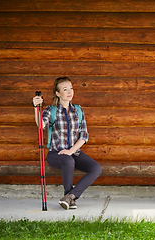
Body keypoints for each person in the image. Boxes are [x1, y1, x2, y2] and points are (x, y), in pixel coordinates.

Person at [32, 77, 102, 210]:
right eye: (65, 89)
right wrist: (37, 108)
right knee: (68, 161)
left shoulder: (78, 110)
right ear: (57, 93)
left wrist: (71, 151)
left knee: (96, 168)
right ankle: (69, 197)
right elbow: (41, 125)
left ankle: (70, 197)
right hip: (56, 154)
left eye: (71, 88)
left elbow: (84, 135)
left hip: (74, 152)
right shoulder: (51, 110)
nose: (70, 91)